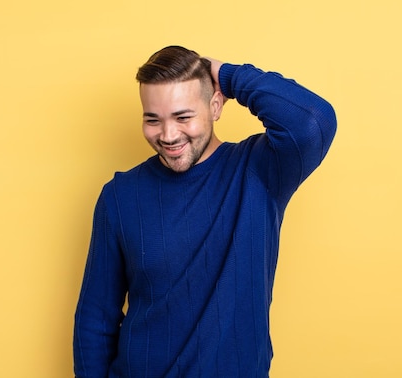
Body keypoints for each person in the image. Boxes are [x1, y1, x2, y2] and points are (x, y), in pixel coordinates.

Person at [73, 45, 337, 377]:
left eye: (183, 117)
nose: (168, 135)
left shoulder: (260, 171)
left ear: (215, 106)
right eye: (153, 120)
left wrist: (227, 74)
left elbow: (313, 120)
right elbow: (95, 319)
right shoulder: (119, 196)